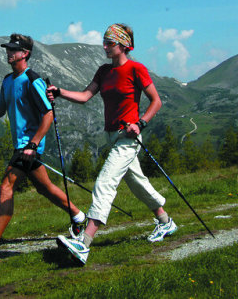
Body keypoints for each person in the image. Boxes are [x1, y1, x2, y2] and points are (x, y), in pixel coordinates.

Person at [51, 23, 177, 265]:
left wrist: (140, 123)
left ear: (123, 45)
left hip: (129, 137)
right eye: (105, 42)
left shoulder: (136, 69)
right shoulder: (103, 71)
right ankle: (165, 222)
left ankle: (84, 242)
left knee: (105, 181)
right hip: (112, 136)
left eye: (110, 43)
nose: (105, 47)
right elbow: (86, 96)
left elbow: (156, 101)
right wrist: (59, 92)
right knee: (138, 183)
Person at [0, 33, 86, 264]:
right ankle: (79, 217)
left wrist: (33, 143)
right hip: (23, 147)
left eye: (13, 50)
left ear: (25, 54)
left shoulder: (32, 80)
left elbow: (47, 114)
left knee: (6, 185)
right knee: (45, 188)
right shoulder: (8, 80)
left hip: (28, 146)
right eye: (7, 49)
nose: (8, 53)